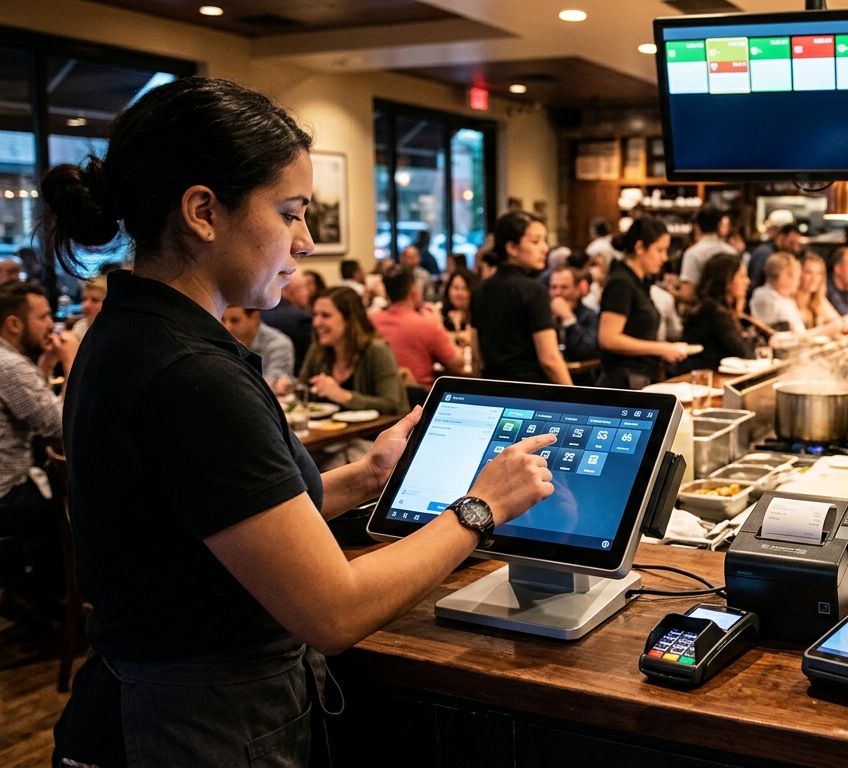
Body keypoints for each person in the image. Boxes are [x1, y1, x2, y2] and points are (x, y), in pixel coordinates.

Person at [41, 77, 555, 765]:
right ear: (202, 211)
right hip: (194, 725)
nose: (307, 241)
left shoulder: (130, 332)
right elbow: (333, 610)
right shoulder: (190, 375)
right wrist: (479, 509)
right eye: (290, 214)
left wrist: (366, 476)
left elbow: (224, 519)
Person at [0, 282, 76, 538]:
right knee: (83, 505)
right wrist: (71, 360)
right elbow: (63, 424)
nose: (51, 324)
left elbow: (31, 407)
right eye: (43, 317)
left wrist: (47, 363)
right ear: (14, 324)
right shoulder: (10, 365)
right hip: (7, 499)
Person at [470, 211, 572, 385]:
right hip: (528, 390)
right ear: (512, 248)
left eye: (544, 240)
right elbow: (550, 360)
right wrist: (574, 395)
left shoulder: (481, 289)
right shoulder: (534, 290)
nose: (545, 248)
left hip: (492, 387)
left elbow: (476, 355)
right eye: (535, 241)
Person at [598, 217, 690, 389]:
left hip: (640, 377)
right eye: (660, 250)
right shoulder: (621, 282)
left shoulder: (639, 281)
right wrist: (661, 348)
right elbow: (608, 338)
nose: (664, 258)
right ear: (640, 247)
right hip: (623, 382)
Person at [300, 286, 409, 415]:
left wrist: (343, 396)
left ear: (349, 320)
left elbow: (390, 404)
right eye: (315, 315)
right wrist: (289, 387)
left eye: (325, 315)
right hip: (330, 427)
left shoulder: (377, 351)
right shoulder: (318, 350)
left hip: (382, 427)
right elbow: (302, 391)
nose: (316, 322)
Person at [371, 266, 466, 389]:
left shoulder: (371, 321)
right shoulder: (427, 324)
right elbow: (457, 364)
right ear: (414, 291)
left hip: (380, 394)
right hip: (420, 396)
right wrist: (438, 323)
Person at [682, 252, 760, 372]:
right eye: (742, 276)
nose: (747, 281)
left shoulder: (720, 307)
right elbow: (744, 352)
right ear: (727, 281)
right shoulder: (712, 309)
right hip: (698, 376)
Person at [221, 306, 296, 390]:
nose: (227, 327)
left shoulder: (279, 345)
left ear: (255, 318)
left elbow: (268, 388)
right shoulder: (221, 341)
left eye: (234, 321)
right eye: (223, 320)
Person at [677, 207, 736, 304]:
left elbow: (687, 294)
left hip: (703, 308)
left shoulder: (692, 253)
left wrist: (670, 291)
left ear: (697, 226)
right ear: (719, 225)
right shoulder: (731, 252)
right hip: (727, 306)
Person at [548, 265, 600, 372]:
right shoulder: (543, 315)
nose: (557, 293)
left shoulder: (590, 316)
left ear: (577, 289)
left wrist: (569, 319)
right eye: (553, 287)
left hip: (581, 377)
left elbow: (587, 351)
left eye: (564, 287)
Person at [749, 251, 807, 334]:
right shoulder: (765, 296)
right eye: (794, 276)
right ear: (782, 276)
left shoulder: (787, 299)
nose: (797, 281)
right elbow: (769, 332)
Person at [262, 275, 313, 369]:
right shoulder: (301, 319)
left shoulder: (261, 312)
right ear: (292, 292)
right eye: (304, 287)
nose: (309, 293)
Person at [748, 221, 803, 292]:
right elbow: (755, 282)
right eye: (791, 243)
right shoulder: (765, 253)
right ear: (781, 238)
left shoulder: (786, 256)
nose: (795, 249)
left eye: (798, 245)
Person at [798, 253, 843, 332]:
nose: (814, 278)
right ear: (799, 274)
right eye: (809, 273)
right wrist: (826, 330)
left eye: (818, 274)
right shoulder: (789, 301)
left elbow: (838, 322)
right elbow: (798, 336)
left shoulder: (819, 299)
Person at [440, 267, 475, 350]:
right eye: (456, 288)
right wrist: (458, 334)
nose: (459, 293)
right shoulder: (439, 313)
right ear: (448, 290)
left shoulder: (476, 315)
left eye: (464, 289)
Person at [71, 275, 107, 341]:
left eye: (95, 300)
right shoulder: (80, 327)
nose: (85, 306)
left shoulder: (120, 333)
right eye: (84, 299)